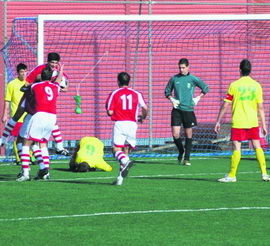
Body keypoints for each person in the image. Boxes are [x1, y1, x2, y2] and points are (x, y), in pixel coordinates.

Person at [0, 53, 70, 156]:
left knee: (50, 121)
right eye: (52, 62)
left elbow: (66, 88)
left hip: (43, 101)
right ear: (48, 62)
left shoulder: (59, 74)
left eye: (56, 63)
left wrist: (56, 86)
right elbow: (27, 83)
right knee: (17, 116)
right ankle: (3, 139)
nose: (54, 64)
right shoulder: (40, 69)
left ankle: (59, 147)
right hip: (30, 96)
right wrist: (38, 83)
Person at [215, 59, 270, 182]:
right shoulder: (257, 86)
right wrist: (264, 125)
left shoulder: (234, 85)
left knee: (236, 148)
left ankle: (232, 175)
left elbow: (225, 105)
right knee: (257, 146)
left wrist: (218, 121)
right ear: (250, 70)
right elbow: (260, 107)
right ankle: (264, 174)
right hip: (253, 122)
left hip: (239, 122)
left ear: (239, 70)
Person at [16, 66, 62, 181]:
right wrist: (60, 72)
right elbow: (58, 81)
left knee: (26, 142)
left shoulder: (35, 85)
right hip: (52, 117)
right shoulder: (56, 86)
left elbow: (23, 89)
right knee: (42, 143)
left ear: (41, 76)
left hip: (39, 115)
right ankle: (44, 170)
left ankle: (25, 173)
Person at [165, 58, 209, 166]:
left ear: (188, 67)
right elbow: (167, 91)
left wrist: (198, 98)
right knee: (175, 134)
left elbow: (205, 87)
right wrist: (171, 99)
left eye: (183, 67)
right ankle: (181, 150)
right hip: (177, 110)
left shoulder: (193, 79)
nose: (181, 69)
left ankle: (187, 158)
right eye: (180, 67)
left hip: (188, 110)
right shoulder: (174, 79)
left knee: (188, 134)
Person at [106, 72, 148, 185]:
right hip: (132, 125)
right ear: (129, 81)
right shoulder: (136, 93)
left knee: (116, 150)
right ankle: (120, 179)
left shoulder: (115, 93)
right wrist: (143, 117)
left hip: (120, 123)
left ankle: (126, 161)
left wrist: (115, 110)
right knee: (126, 151)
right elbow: (145, 108)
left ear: (118, 81)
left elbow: (110, 112)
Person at [1, 63, 28, 164]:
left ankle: (28, 156)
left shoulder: (28, 83)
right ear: (18, 73)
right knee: (17, 137)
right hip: (16, 116)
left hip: (28, 116)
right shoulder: (11, 84)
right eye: (22, 72)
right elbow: (7, 100)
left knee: (27, 137)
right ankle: (18, 158)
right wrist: (5, 114)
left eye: (25, 72)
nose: (24, 74)